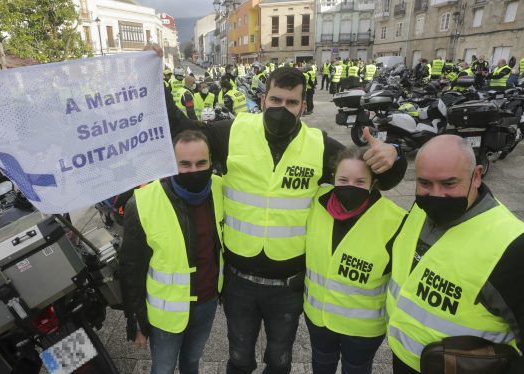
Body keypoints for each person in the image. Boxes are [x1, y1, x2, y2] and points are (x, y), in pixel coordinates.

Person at [157, 56, 407, 372]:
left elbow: (371, 179)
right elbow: (182, 131)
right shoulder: (233, 132)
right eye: (275, 99)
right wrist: (157, 81)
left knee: (279, 361)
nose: (281, 108)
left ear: (303, 106)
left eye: (291, 102)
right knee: (239, 359)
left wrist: (394, 154)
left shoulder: (320, 146)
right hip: (238, 281)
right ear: (262, 100)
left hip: (287, 286)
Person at [386, 135, 524, 373]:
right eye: (425, 183)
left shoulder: (519, 249)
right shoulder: (421, 211)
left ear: (477, 175)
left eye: (449, 184)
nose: (436, 194)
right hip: (404, 360)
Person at [119, 130, 224, 374]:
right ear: (170, 164)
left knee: (192, 363)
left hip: (207, 303)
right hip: (165, 314)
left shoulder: (220, 189)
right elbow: (130, 268)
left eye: (201, 163)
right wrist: (135, 319)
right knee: (163, 368)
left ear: (211, 163)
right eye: (184, 164)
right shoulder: (143, 202)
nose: (193, 170)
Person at [304, 146, 406, 374]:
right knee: (321, 365)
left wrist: (395, 151)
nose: (350, 186)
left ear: (373, 183)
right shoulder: (315, 203)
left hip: (362, 331)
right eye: (343, 179)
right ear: (333, 179)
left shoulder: (395, 219)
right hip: (318, 319)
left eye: (360, 181)